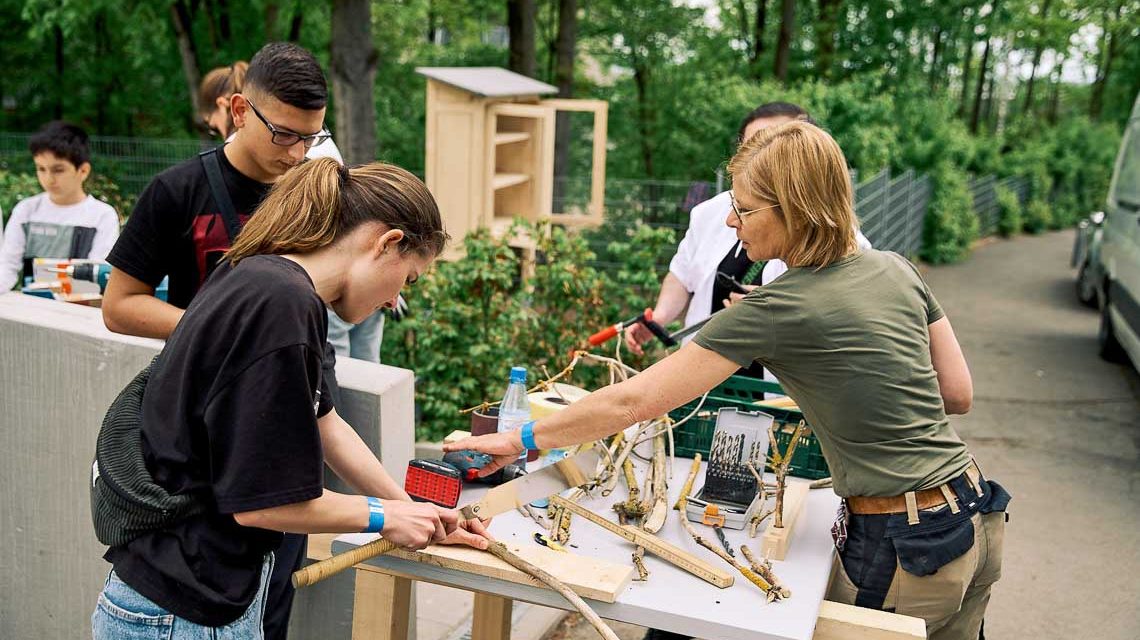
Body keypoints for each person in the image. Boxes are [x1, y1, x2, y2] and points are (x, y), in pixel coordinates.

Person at [448, 122, 1008, 640]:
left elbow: (634, 400)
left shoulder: (775, 307)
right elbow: (958, 395)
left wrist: (514, 439)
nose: (729, 221)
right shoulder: (895, 268)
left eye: (742, 207)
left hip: (904, 546)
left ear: (793, 209)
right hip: (974, 518)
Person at [91, 157, 490, 638]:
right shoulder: (282, 305)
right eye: (407, 280)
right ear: (387, 243)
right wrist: (385, 517)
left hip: (172, 591)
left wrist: (414, 507)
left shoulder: (264, 274)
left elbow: (325, 423)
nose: (393, 302)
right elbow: (262, 504)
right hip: (182, 608)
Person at [104, 42, 343, 640]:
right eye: (285, 134)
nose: (299, 152)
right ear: (239, 110)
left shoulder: (318, 194)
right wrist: (221, 331)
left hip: (299, 405)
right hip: (203, 433)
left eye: (312, 137)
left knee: (273, 596)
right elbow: (119, 306)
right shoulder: (177, 190)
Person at [624, 102, 871, 366]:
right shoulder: (710, 213)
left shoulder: (847, 249)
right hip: (705, 381)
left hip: (779, 390)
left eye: (774, 143)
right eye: (751, 145)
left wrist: (775, 312)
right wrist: (660, 318)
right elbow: (683, 274)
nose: (731, 220)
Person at [199, 60, 385, 363]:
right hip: (345, 279)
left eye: (308, 140)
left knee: (329, 365)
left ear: (228, 108)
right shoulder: (315, 141)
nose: (297, 153)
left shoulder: (256, 154)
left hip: (322, 287)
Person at [0, 121, 119, 291]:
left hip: (79, 308)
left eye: (58, 170)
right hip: (29, 307)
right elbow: (7, 267)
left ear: (83, 171)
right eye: (41, 169)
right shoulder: (25, 210)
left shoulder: (102, 216)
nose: (49, 178)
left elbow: (98, 272)